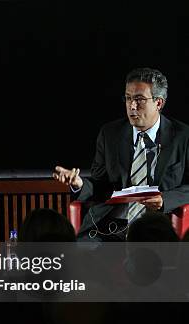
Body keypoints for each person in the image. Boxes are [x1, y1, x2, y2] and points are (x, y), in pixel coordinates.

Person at [53, 68, 189, 241]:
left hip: (155, 227)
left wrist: (165, 199)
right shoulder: (110, 134)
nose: (132, 106)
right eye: (128, 98)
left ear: (158, 103)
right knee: (81, 255)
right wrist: (79, 184)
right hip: (109, 225)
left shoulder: (182, 136)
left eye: (139, 99)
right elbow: (100, 186)